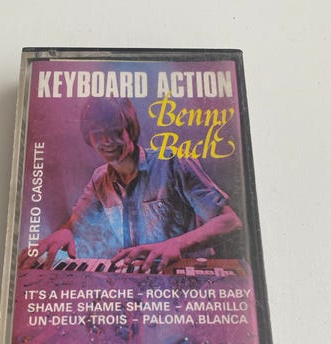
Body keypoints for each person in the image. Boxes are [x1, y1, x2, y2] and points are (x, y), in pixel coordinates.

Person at [19, 97, 241, 272]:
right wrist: (64, 232)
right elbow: (74, 225)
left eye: (114, 130)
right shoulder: (99, 179)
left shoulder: (172, 162)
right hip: (140, 278)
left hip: (187, 276)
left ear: (130, 130)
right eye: (97, 133)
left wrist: (176, 245)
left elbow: (230, 221)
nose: (106, 141)